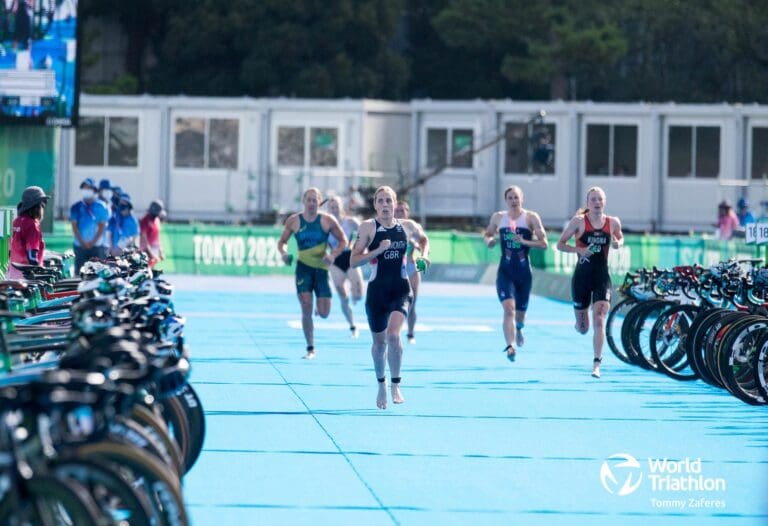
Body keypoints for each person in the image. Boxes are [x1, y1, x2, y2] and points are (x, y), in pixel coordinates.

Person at [350, 185, 429, 409]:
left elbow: (424, 240)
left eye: (389, 201)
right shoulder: (368, 228)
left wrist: (424, 256)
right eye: (381, 201)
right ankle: (381, 384)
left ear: (395, 204)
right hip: (377, 292)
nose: (385, 205)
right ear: (375, 205)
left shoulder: (408, 226)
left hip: (401, 289)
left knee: (394, 336)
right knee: (379, 343)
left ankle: (396, 384)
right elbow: (354, 261)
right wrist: (376, 251)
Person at [556, 186, 624, 379]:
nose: (597, 203)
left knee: (600, 319)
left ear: (605, 202)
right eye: (593, 199)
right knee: (584, 328)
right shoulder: (578, 222)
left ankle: (597, 363)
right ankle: (578, 324)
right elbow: (560, 245)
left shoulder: (612, 222)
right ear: (587, 203)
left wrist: (619, 243)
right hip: (582, 279)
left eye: (600, 199)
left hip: (602, 278)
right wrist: (579, 251)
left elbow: (620, 237)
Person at [277, 188, 347, 360]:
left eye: (314, 200)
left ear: (319, 202)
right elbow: (282, 242)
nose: (311, 203)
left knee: (324, 314)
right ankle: (310, 348)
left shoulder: (327, 221)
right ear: (303, 201)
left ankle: (320, 306)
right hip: (303, 269)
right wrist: (284, 253)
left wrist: (332, 255)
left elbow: (343, 240)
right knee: (306, 306)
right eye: (308, 200)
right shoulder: (294, 221)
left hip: (322, 270)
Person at [484, 186, 548, 362]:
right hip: (505, 271)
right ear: (506, 200)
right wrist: (489, 241)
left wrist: (524, 241)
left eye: (516, 198)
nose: (513, 201)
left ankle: (519, 328)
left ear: (522, 199)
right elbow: (488, 234)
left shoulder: (530, 218)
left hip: (523, 273)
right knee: (508, 309)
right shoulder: (498, 217)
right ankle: (510, 346)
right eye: (510, 198)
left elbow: (544, 244)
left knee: (519, 314)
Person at [325, 196, 363, 339]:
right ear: (328, 209)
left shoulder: (350, 222)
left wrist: (363, 247)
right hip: (335, 262)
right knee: (343, 297)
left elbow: (366, 230)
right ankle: (353, 325)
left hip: (350, 258)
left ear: (341, 208)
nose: (334, 210)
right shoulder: (325, 225)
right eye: (332, 207)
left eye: (336, 207)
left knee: (358, 295)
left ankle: (356, 294)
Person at [393, 200, 430, 344]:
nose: (400, 213)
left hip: (411, 266)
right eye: (397, 210)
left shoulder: (414, 227)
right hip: (395, 268)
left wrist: (422, 252)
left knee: (412, 303)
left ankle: (410, 333)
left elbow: (424, 244)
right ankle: (395, 330)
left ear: (407, 212)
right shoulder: (390, 225)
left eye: (403, 210)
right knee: (396, 302)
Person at [7, 186, 49, 280]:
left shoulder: (16, 221)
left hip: (12, 273)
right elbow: (31, 256)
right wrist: (39, 270)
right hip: (25, 277)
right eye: (42, 205)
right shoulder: (32, 226)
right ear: (37, 207)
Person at [70, 177, 109, 275]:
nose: (86, 191)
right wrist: (83, 242)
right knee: (79, 274)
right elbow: (75, 227)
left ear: (94, 190)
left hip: (97, 246)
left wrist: (92, 242)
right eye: (84, 188)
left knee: (98, 274)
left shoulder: (101, 206)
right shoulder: (76, 207)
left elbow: (101, 226)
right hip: (80, 246)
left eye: (89, 188)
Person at [140, 199, 166, 267]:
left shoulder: (157, 220)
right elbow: (144, 240)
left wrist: (160, 251)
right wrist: (152, 255)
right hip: (145, 252)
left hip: (154, 251)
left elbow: (157, 238)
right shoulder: (144, 220)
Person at [97, 179, 115, 259]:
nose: (108, 192)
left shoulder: (109, 205)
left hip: (106, 243)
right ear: (100, 191)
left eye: (109, 190)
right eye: (105, 190)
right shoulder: (96, 204)